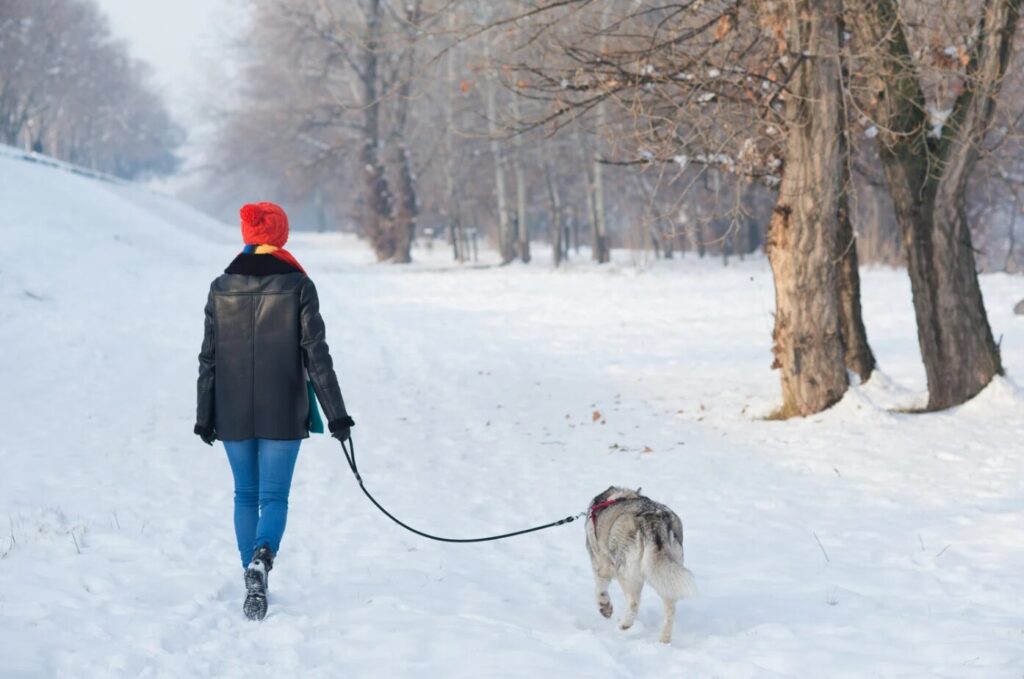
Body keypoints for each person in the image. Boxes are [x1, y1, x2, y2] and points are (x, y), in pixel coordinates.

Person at [194, 201, 354, 621]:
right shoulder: (299, 285)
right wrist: (336, 414)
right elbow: (316, 355)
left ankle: (252, 571)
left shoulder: (220, 286)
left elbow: (208, 357)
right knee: (274, 496)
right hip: (283, 406)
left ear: (247, 234)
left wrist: (203, 413)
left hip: (230, 408)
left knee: (245, 494)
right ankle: (261, 563)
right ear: (280, 235)